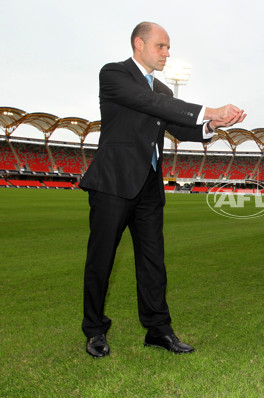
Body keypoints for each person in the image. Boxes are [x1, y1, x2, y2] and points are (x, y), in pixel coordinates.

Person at [79, 21, 246, 358]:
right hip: (113, 184)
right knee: (101, 260)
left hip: (150, 187)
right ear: (139, 44)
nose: (167, 53)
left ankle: (158, 330)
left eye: (169, 48)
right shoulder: (114, 74)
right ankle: (95, 329)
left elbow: (180, 128)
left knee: (153, 262)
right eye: (161, 46)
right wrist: (208, 109)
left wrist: (212, 125)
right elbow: (148, 103)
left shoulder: (165, 92)